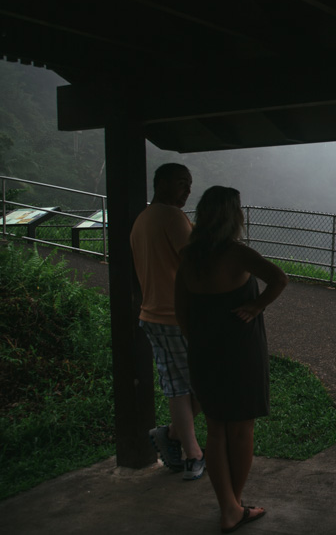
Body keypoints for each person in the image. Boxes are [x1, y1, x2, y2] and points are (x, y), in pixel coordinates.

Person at [175, 186, 287, 533]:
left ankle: (230, 506)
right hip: (240, 351)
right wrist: (255, 306)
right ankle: (233, 508)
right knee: (241, 430)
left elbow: (181, 310)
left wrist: (200, 340)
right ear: (232, 216)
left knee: (215, 429)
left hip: (204, 350)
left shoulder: (189, 256)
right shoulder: (238, 254)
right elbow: (279, 279)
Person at [130, 163, 205, 479]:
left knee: (176, 385)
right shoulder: (172, 217)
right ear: (160, 184)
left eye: (189, 184)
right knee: (206, 382)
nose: (187, 190)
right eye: (180, 183)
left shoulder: (142, 220)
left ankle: (190, 452)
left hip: (151, 315)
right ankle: (179, 439)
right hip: (178, 317)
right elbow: (196, 262)